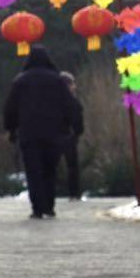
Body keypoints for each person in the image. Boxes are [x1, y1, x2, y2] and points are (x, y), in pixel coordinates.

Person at [2, 48, 74, 219]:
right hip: (54, 134)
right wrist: (68, 126)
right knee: (50, 170)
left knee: (33, 172)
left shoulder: (21, 81)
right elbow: (69, 105)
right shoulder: (57, 81)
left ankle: (37, 208)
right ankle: (49, 206)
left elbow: (10, 108)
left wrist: (11, 128)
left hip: (29, 134)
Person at [58, 71, 85, 201]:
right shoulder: (72, 101)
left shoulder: (52, 101)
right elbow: (78, 118)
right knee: (72, 166)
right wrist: (77, 132)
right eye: (72, 83)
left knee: (53, 166)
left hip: (55, 135)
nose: (74, 86)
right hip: (69, 135)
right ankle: (74, 193)